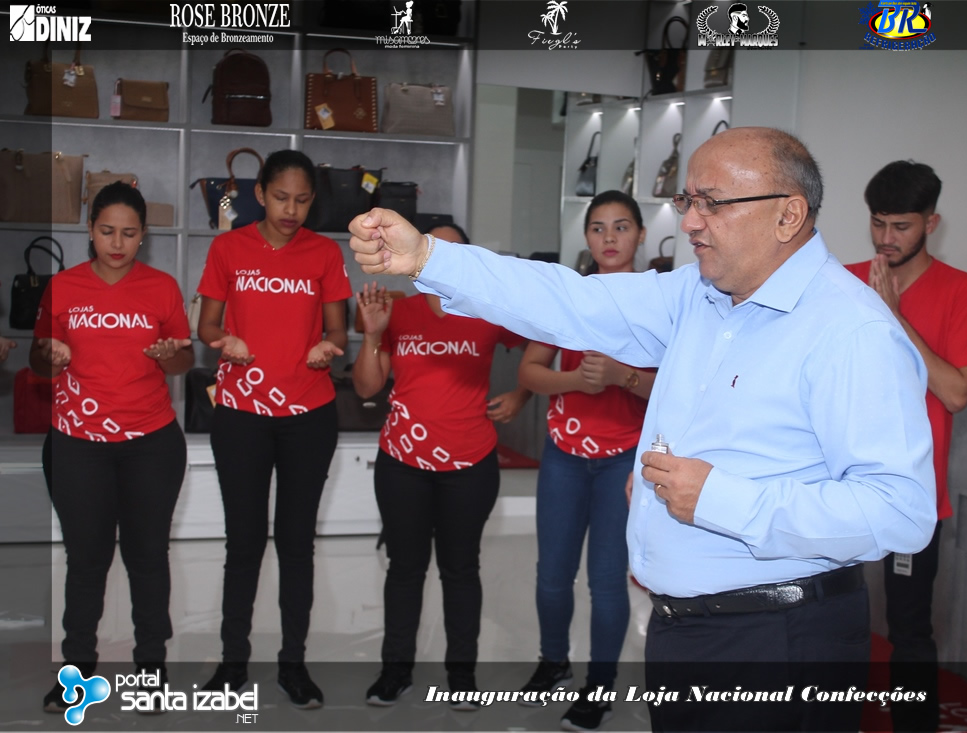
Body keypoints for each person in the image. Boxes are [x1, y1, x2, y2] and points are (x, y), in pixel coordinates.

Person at [348, 126, 937, 732]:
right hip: (684, 628)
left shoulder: (851, 331)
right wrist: (430, 258)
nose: (690, 222)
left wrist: (719, 498)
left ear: (787, 214)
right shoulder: (700, 295)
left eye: (713, 203)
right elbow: (570, 301)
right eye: (688, 201)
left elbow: (900, 510)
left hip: (778, 639)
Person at [196, 150, 351, 709]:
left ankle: (294, 665)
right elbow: (206, 324)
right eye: (281, 197)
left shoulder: (324, 253)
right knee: (243, 542)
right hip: (241, 414)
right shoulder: (228, 248)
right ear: (259, 193)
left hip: (308, 415)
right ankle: (232, 663)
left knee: (296, 543)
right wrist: (224, 340)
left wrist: (327, 347)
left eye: (302, 200)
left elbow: (339, 330)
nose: (291, 210)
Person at [354, 223, 531, 709]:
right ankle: (395, 672)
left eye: (452, 250)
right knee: (404, 569)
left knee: (460, 569)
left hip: (469, 465)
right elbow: (367, 387)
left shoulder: (485, 312)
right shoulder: (398, 311)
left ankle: (462, 675)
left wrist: (522, 393)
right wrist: (373, 335)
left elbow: (544, 340)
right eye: (433, 247)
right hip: (402, 462)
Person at [846, 160, 967, 732]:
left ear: (931, 223)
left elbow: (956, 392)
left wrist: (893, 317)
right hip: (837, 487)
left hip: (912, 495)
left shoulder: (963, 291)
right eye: (877, 223)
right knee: (834, 625)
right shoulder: (843, 280)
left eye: (901, 226)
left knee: (909, 633)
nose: (885, 238)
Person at [32, 182, 193, 712]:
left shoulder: (162, 288)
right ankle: (76, 671)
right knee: (86, 560)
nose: (118, 244)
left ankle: (151, 670)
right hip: (78, 444)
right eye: (107, 232)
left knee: (147, 558)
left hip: (150, 442)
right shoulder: (63, 287)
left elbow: (183, 361)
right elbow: (36, 360)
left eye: (129, 233)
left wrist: (169, 355)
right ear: (90, 229)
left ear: (143, 235)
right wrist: (49, 357)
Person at [516, 191, 656, 732]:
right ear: (586, 237)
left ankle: (600, 685)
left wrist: (623, 377)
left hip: (624, 459)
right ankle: (553, 662)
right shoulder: (567, 296)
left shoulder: (658, 301)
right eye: (598, 228)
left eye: (621, 227)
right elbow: (530, 372)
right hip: (564, 454)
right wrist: (576, 379)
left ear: (641, 234)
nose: (610, 238)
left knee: (605, 581)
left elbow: (672, 389)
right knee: (552, 574)